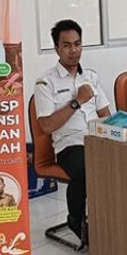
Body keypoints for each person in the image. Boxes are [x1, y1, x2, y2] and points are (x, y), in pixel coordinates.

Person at [35, 19, 111, 243]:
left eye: (77, 44)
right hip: (70, 145)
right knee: (86, 169)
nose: (73, 50)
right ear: (56, 48)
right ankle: (76, 220)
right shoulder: (45, 83)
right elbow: (46, 125)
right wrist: (77, 102)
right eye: (67, 45)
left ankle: (114, 219)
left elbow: (106, 114)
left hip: (98, 138)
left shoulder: (91, 76)